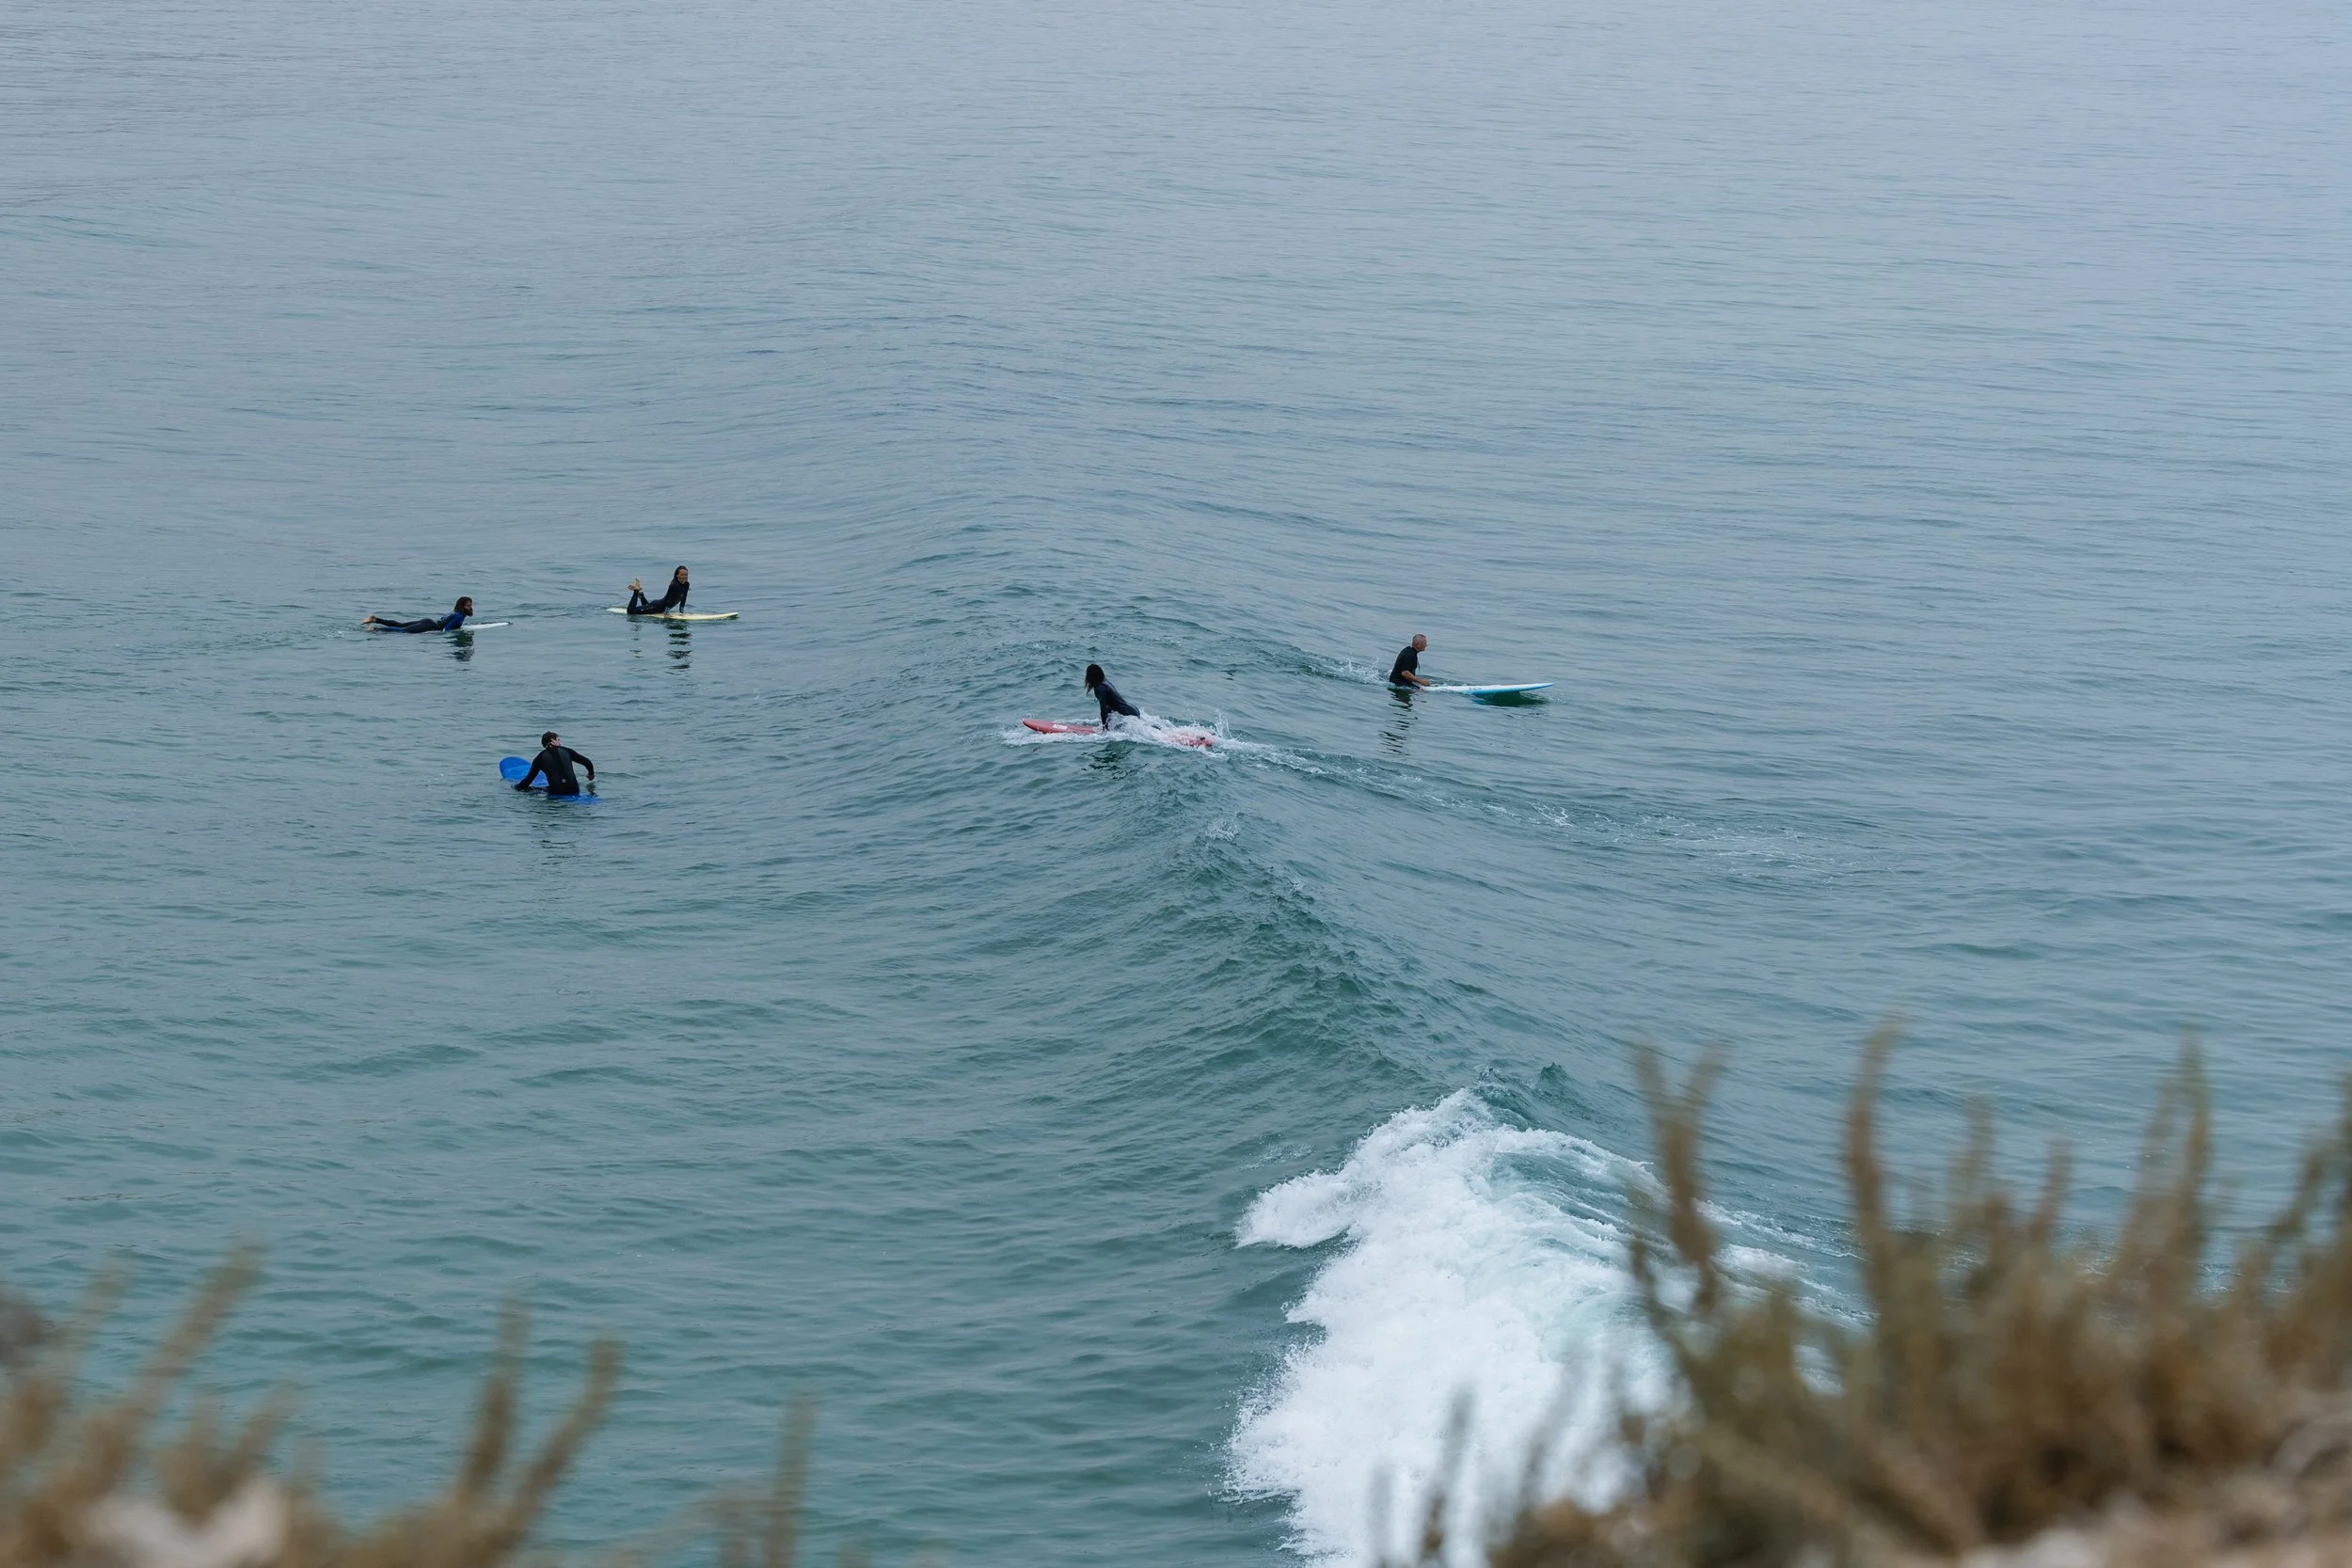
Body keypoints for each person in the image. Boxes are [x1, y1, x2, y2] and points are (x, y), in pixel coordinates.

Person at [516, 731, 595, 796]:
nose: (560, 742)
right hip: (575, 790)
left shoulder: (540, 758)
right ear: (553, 740)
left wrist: (515, 788)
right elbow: (587, 762)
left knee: (530, 789)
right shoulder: (567, 751)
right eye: (558, 740)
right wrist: (591, 774)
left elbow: (528, 781)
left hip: (557, 792)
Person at [366, 597, 473, 632]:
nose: (470, 607)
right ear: (462, 606)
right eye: (468, 605)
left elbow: (443, 619)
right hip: (431, 625)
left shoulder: (455, 612)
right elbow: (446, 629)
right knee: (403, 631)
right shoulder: (460, 616)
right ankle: (375, 629)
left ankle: (376, 620)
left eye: (470, 605)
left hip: (429, 621)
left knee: (400, 625)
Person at [1084, 664, 1141, 728]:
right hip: (1133, 711)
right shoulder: (1104, 681)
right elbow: (1109, 707)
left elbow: (1103, 710)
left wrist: (1104, 729)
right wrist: (1107, 723)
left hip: (1129, 714)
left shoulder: (1100, 688)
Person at [626, 566, 691, 616]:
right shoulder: (674, 585)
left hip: (659, 606)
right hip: (657, 607)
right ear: (677, 575)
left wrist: (681, 612)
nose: (684, 576)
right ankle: (636, 590)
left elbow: (684, 598)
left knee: (647, 606)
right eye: (682, 574)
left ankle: (641, 596)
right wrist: (666, 613)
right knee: (631, 611)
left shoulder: (686, 584)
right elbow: (670, 599)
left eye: (686, 574)